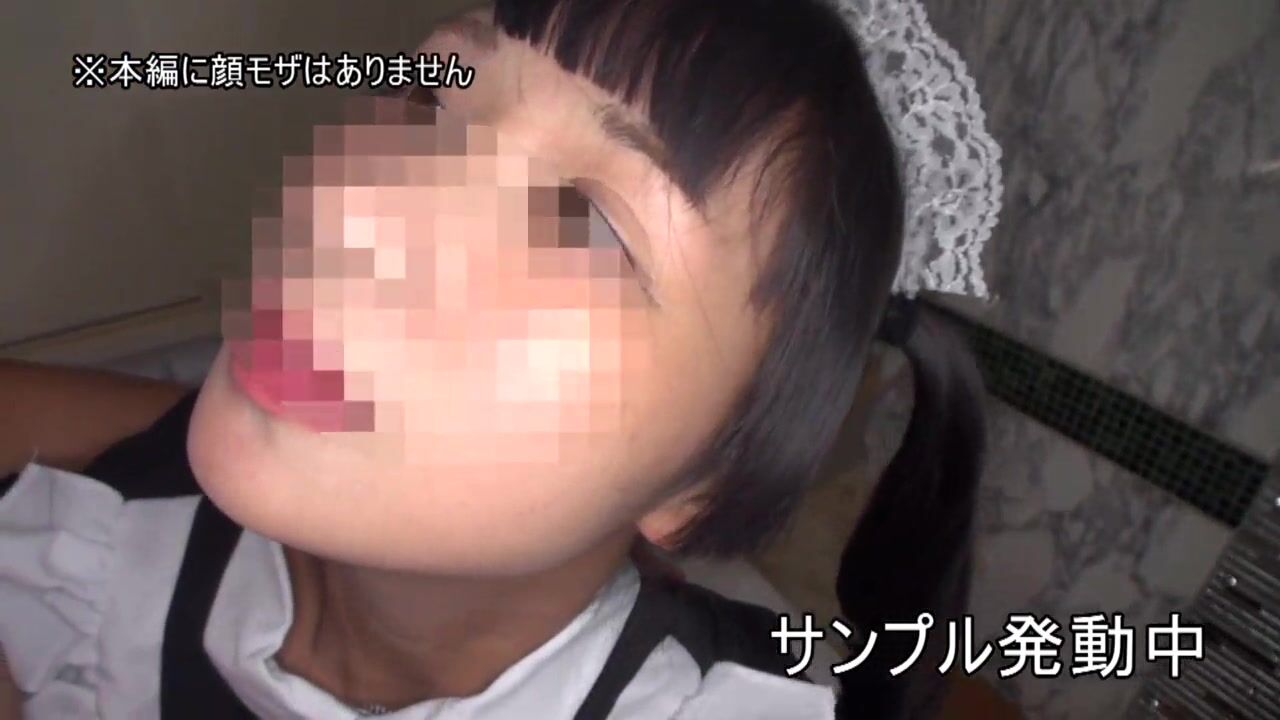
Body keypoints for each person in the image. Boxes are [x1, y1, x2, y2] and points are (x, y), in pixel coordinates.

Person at [0, 0, 1002, 717]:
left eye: (587, 222)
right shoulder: (131, 526)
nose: (361, 202)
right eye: (430, 96)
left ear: (702, 479)